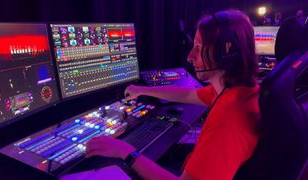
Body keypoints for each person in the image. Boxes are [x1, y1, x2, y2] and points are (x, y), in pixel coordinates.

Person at [86, 10, 260, 180]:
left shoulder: (229, 116)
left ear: (226, 52)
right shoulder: (236, 90)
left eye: (199, 48)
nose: (190, 57)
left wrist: (125, 152)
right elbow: (188, 95)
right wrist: (142, 90)